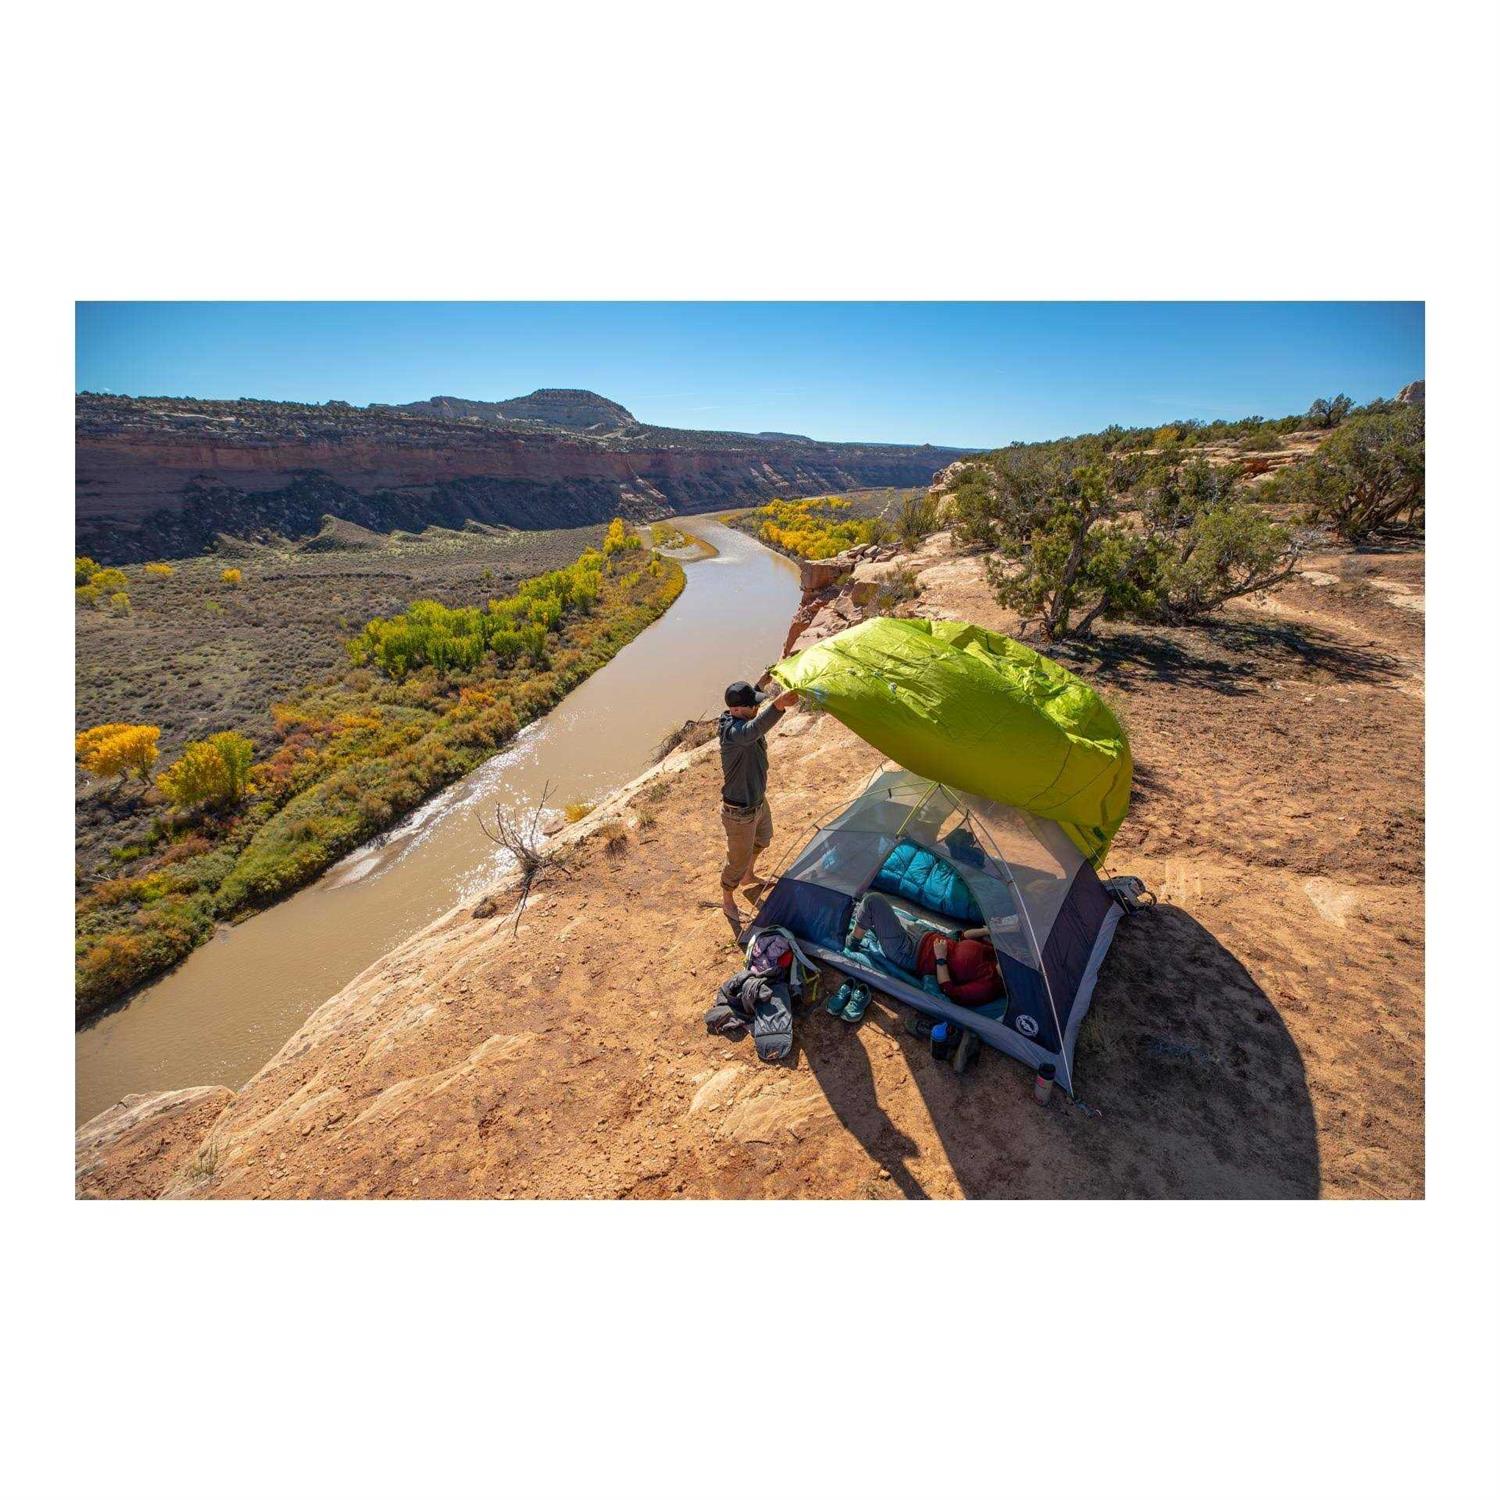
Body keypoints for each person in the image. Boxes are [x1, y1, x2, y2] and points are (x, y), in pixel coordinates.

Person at [718, 675, 799, 929]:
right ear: (738, 709)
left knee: (764, 838)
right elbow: (755, 729)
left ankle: (748, 876)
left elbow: (750, 697)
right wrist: (778, 705)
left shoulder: (738, 713)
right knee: (736, 862)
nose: (757, 707)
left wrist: (764, 680)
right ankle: (727, 899)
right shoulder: (735, 733)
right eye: (754, 705)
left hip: (758, 802)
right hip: (739, 813)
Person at [849, 892, 1002, 1006]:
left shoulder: (988, 986)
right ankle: (858, 923)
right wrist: (988, 930)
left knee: (873, 901)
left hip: (908, 952)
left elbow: (951, 991)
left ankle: (853, 942)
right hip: (922, 933)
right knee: (868, 907)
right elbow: (963, 936)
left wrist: (941, 959)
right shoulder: (997, 956)